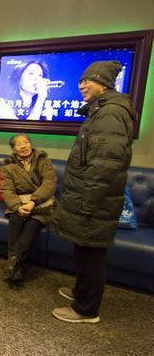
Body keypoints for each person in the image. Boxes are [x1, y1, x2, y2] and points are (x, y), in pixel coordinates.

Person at [51, 60, 135, 323]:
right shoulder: (101, 111)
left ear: (105, 84)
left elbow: (104, 166)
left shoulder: (110, 114)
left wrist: (88, 203)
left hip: (94, 202)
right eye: (81, 81)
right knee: (85, 251)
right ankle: (80, 292)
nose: (82, 86)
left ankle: (86, 310)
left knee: (92, 254)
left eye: (89, 80)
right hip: (89, 199)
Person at [0, 133, 57, 282]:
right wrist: (18, 207)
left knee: (32, 225)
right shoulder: (8, 167)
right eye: (18, 144)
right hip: (19, 204)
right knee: (15, 221)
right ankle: (16, 268)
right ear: (13, 149)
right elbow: (7, 191)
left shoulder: (43, 161)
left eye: (25, 142)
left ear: (31, 144)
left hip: (40, 204)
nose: (23, 146)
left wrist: (33, 201)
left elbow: (49, 183)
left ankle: (13, 259)